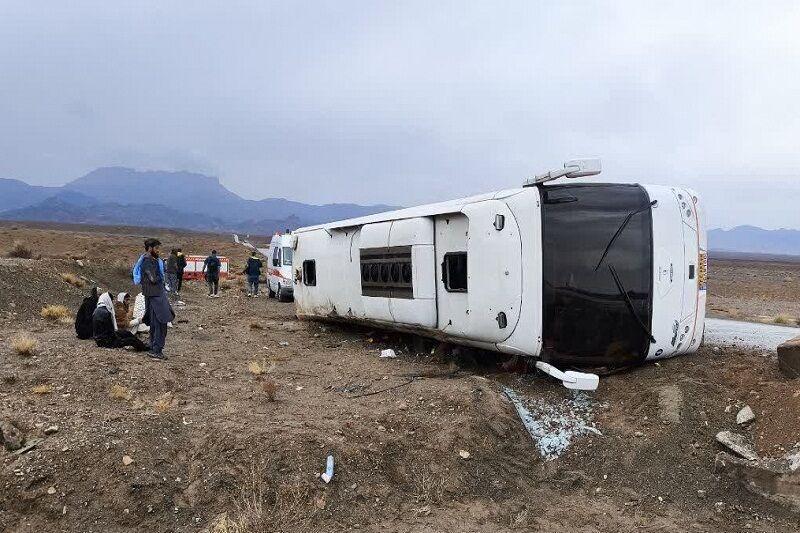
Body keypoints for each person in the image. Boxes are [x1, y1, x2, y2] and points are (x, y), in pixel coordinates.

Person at [136, 238, 174, 360]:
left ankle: (153, 346)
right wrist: (161, 278)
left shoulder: (151, 260)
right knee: (160, 323)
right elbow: (153, 279)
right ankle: (156, 350)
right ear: (150, 248)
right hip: (156, 295)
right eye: (156, 248)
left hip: (153, 295)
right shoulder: (148, 261)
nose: (158, 251)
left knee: (154, 323)